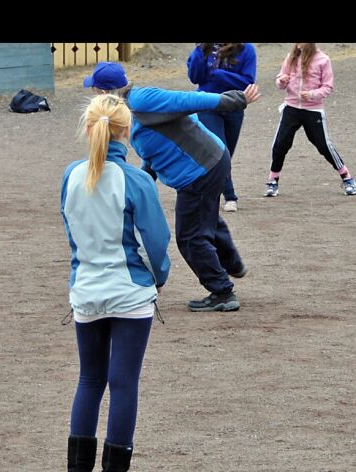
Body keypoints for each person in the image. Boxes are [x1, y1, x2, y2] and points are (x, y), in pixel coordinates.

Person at [61, 93, 171, 472]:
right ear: (127, 130)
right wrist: (159, 278)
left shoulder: (71, 175)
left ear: (88, 129)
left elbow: (73, 235)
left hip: (86, 290)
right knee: (124, 382)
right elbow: (156, 242)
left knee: (89, 379)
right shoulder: (137, 179)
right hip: (129, 292)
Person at [85, 61, 259, 312]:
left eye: (94, 91)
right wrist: (144, 179)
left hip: (201, 167)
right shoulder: (125, 111)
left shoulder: (141, 100)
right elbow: (154, 146)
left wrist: (233, 100)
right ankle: (232, 263)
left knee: (190, 237)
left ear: (102, 93)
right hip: (204, 165)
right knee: (204, 217)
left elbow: (186, 100)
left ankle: (222, 291)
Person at [266, 43, 356, 197]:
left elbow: (328, 87)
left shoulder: (323, 59)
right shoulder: (291, 57)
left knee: (323, 145)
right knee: (280, 144)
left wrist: (312, 94)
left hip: (313, 110)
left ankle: (347, 177)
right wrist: (282, 81)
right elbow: (279, 81)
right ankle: (273, 181)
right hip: (291, 108)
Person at [187, 43, 256, 212]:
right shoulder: (204, 48)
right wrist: (199, 50)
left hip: (234, 105)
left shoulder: (246, 48)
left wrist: (217, 74)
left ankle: (206, 189)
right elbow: (195, 77)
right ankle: (230, 196)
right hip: (207, 104)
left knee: (226, 155)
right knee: (220, 150)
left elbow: (247, 81)